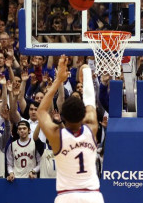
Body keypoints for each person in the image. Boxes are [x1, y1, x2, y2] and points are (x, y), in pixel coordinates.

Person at [37, 55, 104, 203]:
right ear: (83, 116)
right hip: (92, 195)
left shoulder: (56, 136)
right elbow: (90, 101)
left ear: (63, 117)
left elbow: (41, 112)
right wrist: (86, 72)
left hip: (66, 196)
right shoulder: (91, 127)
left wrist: (58, 80)